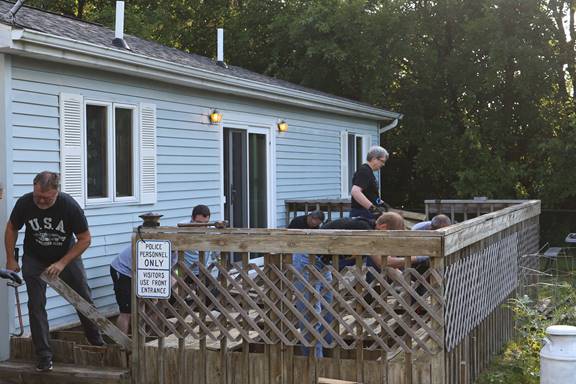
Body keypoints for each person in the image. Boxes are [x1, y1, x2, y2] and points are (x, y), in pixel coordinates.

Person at [4, 171, 103, 372]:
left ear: (56, 192)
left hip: (66, 255)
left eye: (46, 198)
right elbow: (11, 228)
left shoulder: (69, 206)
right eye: (37, 196)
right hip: (35, 258)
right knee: (36, 305)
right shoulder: (24, 203)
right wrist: (10, 258)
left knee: (82, 298)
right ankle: (44, 356)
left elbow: (85, 239)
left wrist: (62, 263)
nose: (40, 201)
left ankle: (97, 344)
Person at [350, 146, 389, 219]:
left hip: (365, 213)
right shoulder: (364, 171)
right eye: (382, 161)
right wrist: (372, 209)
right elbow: (355, 192)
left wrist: (381, 203)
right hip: (361, 214)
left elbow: (370, 194)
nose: (383, 164)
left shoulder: (369, 172)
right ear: (374, 158)